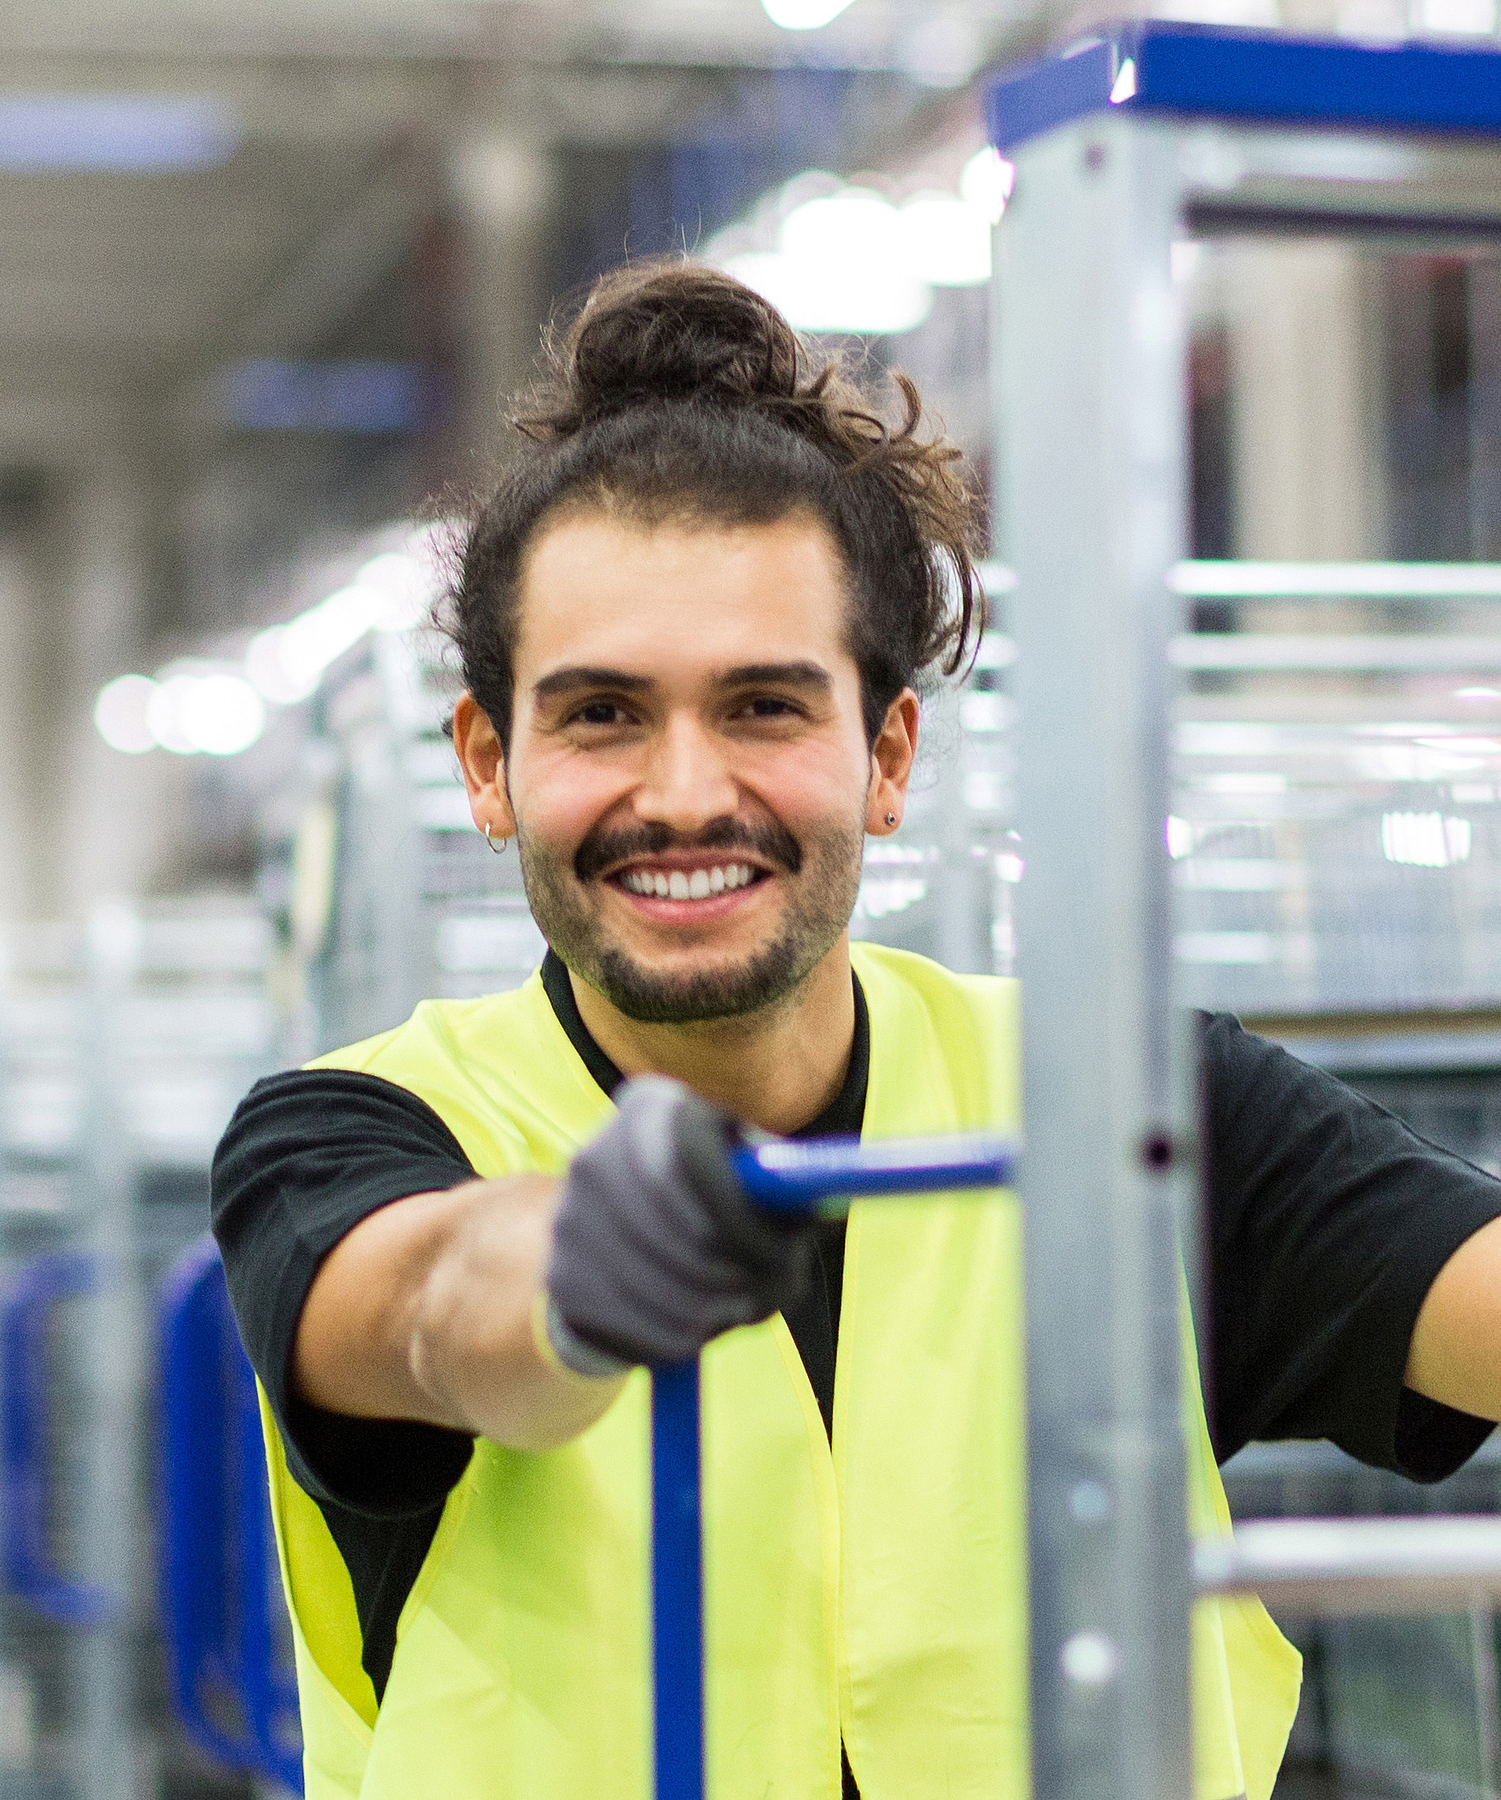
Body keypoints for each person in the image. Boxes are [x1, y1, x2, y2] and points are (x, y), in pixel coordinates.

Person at [211, 263, 1501, 1800]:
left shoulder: (1119, 1107)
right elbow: (425, 1312)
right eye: (602, 713)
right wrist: (575, 1271)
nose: (685, 793)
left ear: (887, 756)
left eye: (764, 707)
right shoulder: (350, 1133)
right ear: (489, 765)